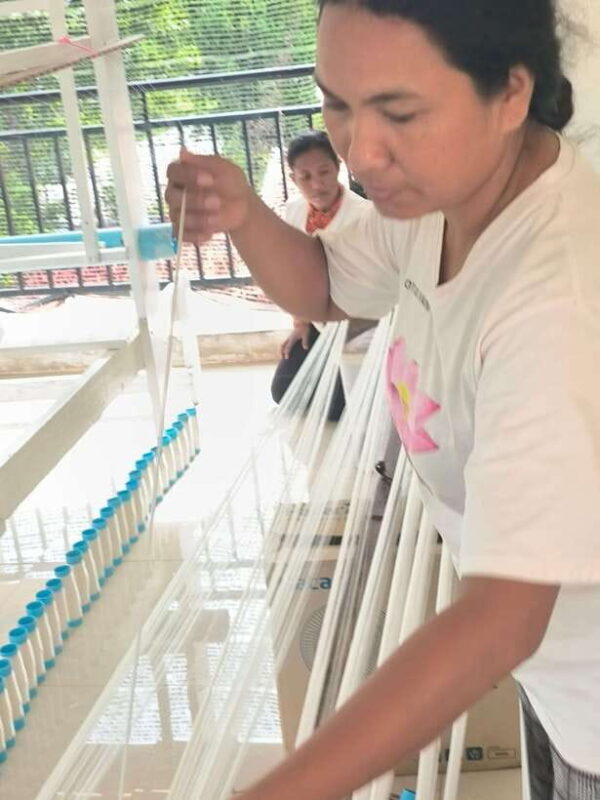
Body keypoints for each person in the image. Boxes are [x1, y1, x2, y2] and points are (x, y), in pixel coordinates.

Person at [165, 0, 600, 797]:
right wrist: (245, 214)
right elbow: (328, 286)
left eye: (399, 112)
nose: (360, 153)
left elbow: (504, 616)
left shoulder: (558, 298)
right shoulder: (444, 196)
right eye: (336, 103)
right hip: (564, 684)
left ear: (510, 93)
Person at [271, 130, 371, 421]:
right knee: (285, 391)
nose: (317, 184)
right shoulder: (294, 211)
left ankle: (363, 394)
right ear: (294, 180)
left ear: (338, 168)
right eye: (305, 177)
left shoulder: (365, 215)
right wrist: (301, 322)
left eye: (324, 172)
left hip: (361, 324)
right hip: (320, 319)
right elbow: (291, 269)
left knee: (359, 401)